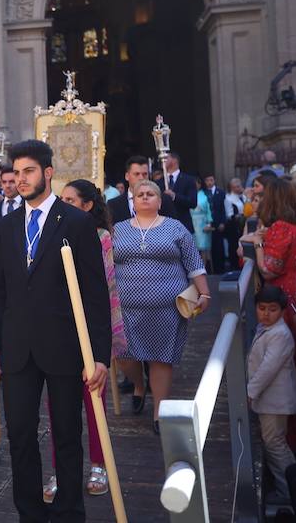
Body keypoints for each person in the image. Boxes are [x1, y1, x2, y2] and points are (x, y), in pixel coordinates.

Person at [0, 140, 111, 522]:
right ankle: (31, 513)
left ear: (48, 173)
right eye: (16, 173)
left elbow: (95, 294)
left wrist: (100, 357)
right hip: (17, 347)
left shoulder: (76, 222)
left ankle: (70, 511)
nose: (20, 180)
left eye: (29, 172)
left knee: (67, 434)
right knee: (20, 434)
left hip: (64, 347)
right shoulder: (6, 226)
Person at [43, 180, 128, 502]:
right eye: (60, 199)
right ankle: (60, 470)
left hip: (90, 328)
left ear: (88, 205)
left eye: (69, 200)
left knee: (93, 401)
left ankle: (98, 464)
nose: (62, 204)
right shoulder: (50, 232)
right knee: (57, 406)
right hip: (58, 329)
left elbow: (102, 288)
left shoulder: (101, 238)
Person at [113, 179, 211, 433]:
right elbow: (105, 265)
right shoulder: (118, 229)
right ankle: (138, 385)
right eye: (139, 194)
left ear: (159, 200)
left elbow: (194, 264)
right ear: (132, 201)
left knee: (160, 358)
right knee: (123, 356)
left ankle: (159, 410)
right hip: (125, 306)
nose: (144, 197)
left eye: (150, 194)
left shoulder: (175, 228)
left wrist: (205, 293)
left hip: (166, 308)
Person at [246, 178, 296, 450]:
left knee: (287, 365)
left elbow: (270, 269)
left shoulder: (280, 228)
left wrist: (258, 243)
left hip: (284, 296)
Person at [248, 286, 296, 504]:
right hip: (271, 400)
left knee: (275, 445)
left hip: (275, 402)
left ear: (282, 311)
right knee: (274, 443)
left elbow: (268, 368)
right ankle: (290, 489)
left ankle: (289, 492)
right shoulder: (266, 329)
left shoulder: (280, 334)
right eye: (261, 308)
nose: (266, 314)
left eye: (272, 309)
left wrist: (250, 392)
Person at [107, 155, 176, 225]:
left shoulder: (164, 200)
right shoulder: (113, 205)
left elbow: (172, 226)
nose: (141, 178)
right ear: (127, 176)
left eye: (145, 174)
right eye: (136, 174)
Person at [162, 152, 198, 232]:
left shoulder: (188, 180)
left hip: (183, 225)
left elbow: (193, 202)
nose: (163, 160)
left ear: (174, 160)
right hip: (164, 227)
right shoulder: (159, 181)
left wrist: (175, 196)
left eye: (166, 158)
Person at [203, 175, 227, 273]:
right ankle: (210, 268)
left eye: (211, 180)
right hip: (206, 223)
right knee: (208, 246)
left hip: (217, 222)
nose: (209, 182)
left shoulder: (221, 192)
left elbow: (223, 208)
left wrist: (222, 222)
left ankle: (220, 268)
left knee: (219, 246)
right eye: (207, 180)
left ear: (214, 180)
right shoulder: (203, 193)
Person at [224, 178, 247, 270]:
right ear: (232, 188)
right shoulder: (228, 198)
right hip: (234, 225)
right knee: (234, 245)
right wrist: (240, 215)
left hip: (243, 224)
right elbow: (229, 214)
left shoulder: (244, 196)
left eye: (239, 186)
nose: (239, 188)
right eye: (236, 187)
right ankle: (234, 266)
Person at [190, 177, 213, 270]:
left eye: (198, 183)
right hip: (191, 222)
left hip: (202, 222)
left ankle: (203, 267)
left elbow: (209, 210)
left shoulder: (205, 195)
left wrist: (209, 223)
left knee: (203, 247)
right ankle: (194, 267)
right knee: (192, 246)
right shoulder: (189, 194)